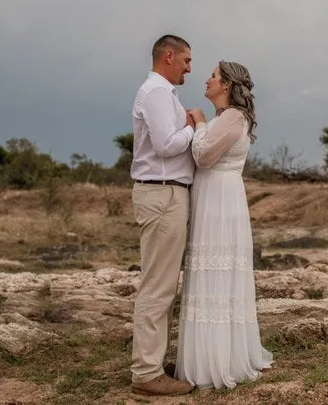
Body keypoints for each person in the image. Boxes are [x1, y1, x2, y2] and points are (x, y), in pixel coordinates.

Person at [175, 60, 274, 389]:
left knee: (216, 274)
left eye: (213, 76)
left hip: (220, 198)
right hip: (215, 195)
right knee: (212, 274)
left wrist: (200, 123)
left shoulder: (231, 117)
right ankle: (210, 353)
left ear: (227, 85)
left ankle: (215, 360)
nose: (206, 80)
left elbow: (203, 156)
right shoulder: (227, 118)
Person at [129, 35, 197, 396]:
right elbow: (166, 145)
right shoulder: (156, 93)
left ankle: (153, 363)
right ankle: (145, 373)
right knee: (157, 286)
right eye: (186, 59)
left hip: (167, 192)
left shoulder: (163, 92)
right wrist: (192, 126)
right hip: (162, 191)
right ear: (168, 56)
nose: (190, 67)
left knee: (163, 284)